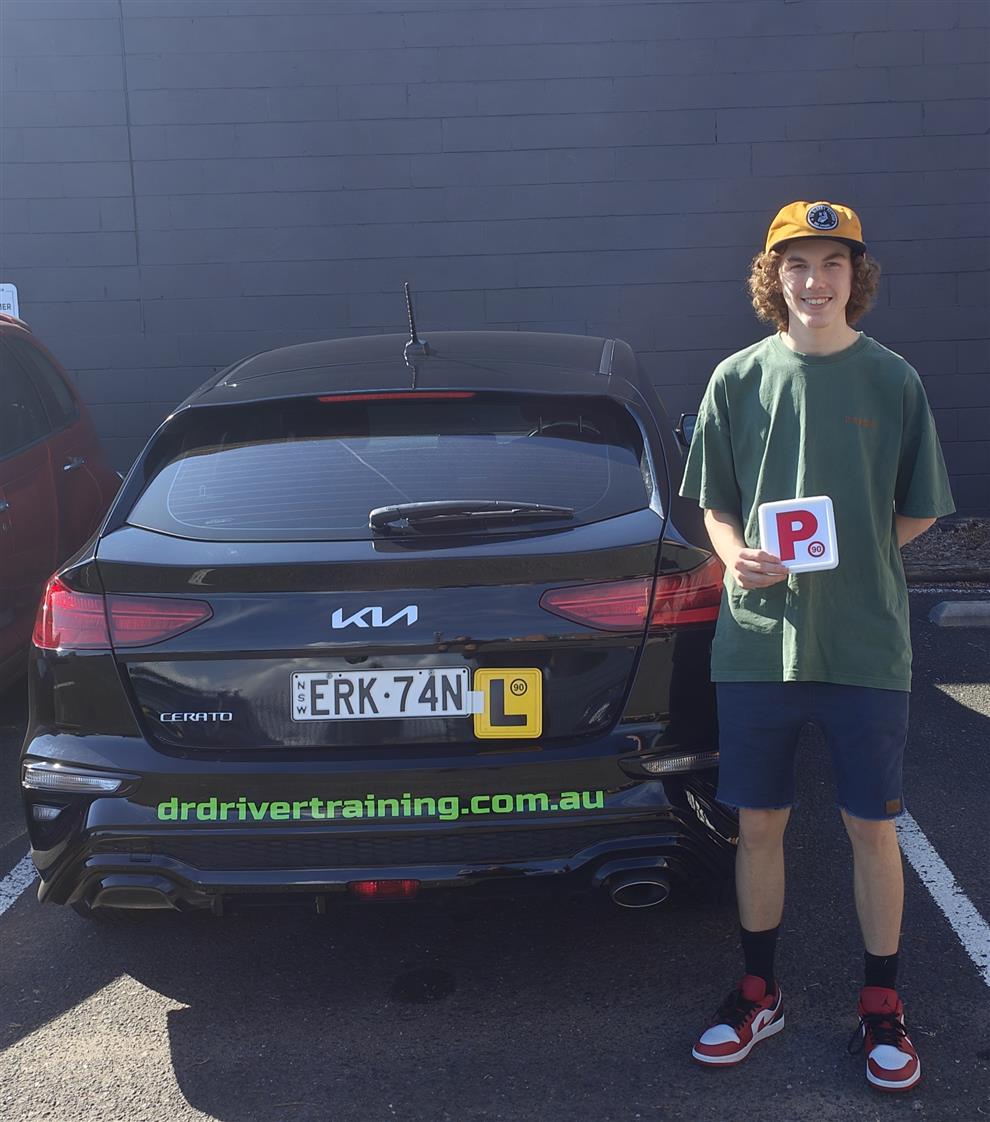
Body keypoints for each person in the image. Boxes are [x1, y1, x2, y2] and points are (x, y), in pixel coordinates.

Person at [679, 200, 955, 1091]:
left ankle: (882, 1009)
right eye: (797, 263)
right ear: (775, 278)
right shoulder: (736, 378)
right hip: (759, 645)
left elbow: (919, 508)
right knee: (759, 824)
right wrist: (735, 556)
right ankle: (759, 993)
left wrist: (861, 554)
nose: (815, 280)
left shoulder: (892, 379)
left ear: (855, 277)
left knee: (872, 828)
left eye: (833, 263)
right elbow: (715, 504)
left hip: (865, 643)